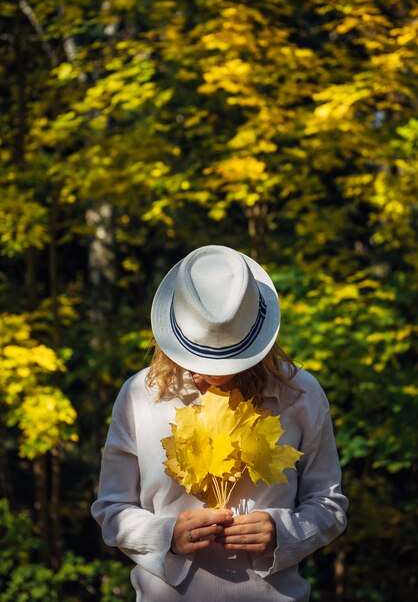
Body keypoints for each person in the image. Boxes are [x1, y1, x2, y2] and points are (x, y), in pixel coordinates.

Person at [91, 244, 348, 602]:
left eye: (228, 359)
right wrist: (167, 536)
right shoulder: (140, 395)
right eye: (201, 357)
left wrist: (283, 532)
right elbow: (112, 508)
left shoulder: (299, 394)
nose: (213, 374)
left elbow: (329, 504)